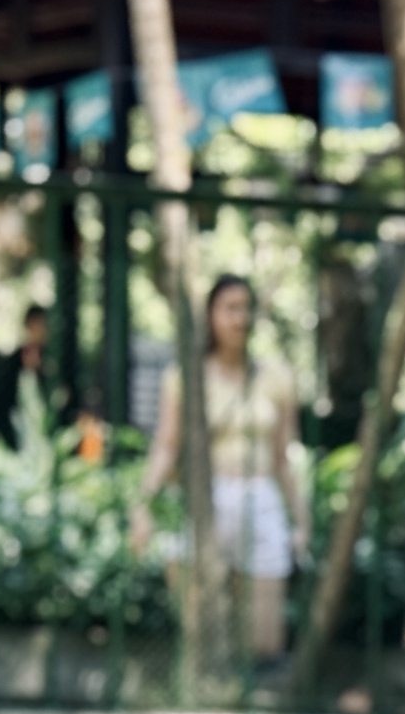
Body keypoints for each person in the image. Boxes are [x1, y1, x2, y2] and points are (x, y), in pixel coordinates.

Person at [132, 275, 310, 666]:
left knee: (264, 643)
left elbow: (285, 456)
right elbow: (166, 447)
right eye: (229, 308)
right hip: (205, 499)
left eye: (245, 308)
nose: (239, 319)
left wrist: (300, 520)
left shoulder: (276, 376)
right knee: (202, 634)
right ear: (211, 315)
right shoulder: (184, 377)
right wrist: (144, 506)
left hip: (260, 497)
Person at [0, 304, 53, 448]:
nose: (38, 330)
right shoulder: (14, 360)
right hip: (19, 424)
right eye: (34, 325)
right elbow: (5, 396)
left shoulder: (53, 359)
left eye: (42, 325)